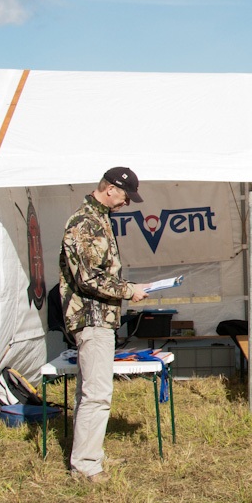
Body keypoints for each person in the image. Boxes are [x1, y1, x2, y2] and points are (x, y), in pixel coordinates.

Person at [58, 167, 151, 485]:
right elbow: (89, 278)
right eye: (126, 196)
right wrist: (129, 290)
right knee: (97, 394)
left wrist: (127, 288)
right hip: (91, 317)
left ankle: (89, 454)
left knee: (90, 392)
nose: (127, 203)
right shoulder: (86, 223)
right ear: (110, 189)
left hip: (98, 318)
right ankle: (85, 465)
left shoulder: (98, 220)